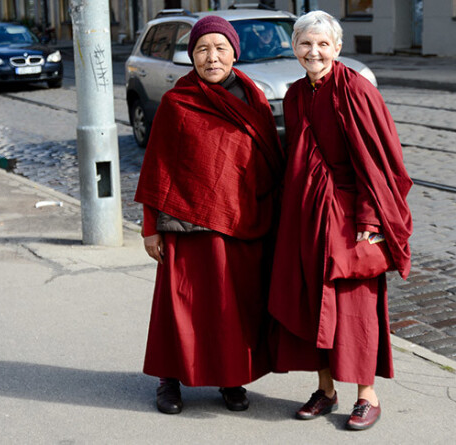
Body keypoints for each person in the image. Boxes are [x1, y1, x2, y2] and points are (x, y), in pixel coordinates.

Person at [268, 11, 413, 431]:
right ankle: (326, 389)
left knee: (356, 306)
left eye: (322, 44)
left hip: (351, 215)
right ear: (294, 49)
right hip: (306, 215)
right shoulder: (295, 95)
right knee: (314, 301)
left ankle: (367, 395)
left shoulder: (357, 91)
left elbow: (381, 161)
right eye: (305, 44)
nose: (314, 52)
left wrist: (372, 216)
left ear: (337, 47)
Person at [134, 16, 283, 415]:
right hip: (184, 223)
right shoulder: (175, 102)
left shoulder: (254, 100)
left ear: (235, 52)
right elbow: (157, 168)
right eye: (202, 49)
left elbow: (270, 159)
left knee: (230, 308)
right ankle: (169, 380)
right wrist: (151, 229)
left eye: (220, 48)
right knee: (179, 306)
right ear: (191, 56)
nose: (211, 57)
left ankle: (230, 378)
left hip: (241, 221)